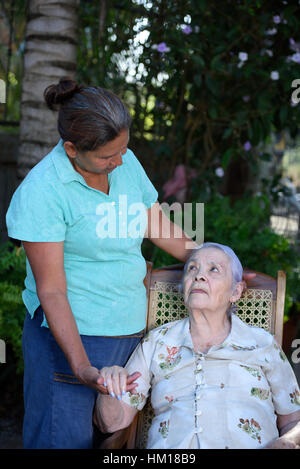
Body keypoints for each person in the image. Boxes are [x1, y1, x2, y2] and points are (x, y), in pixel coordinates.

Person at [5, 77, 197, 449]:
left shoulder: (122, 160)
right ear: (72, 149)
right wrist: (80, 367)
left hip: (129, 334)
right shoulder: (42, 193)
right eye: (109, 156)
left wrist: (207, 257)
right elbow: (53, 290)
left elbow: (154, 222)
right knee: (63, 441)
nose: (120, 160)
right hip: (68, 341)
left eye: (124, 149)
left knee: (116, 445)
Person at [94, 242, 300, 449]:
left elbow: (293, 420)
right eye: (192, 268)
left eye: (214, 270)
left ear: (236, 291)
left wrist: (288, 442)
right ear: (184, 286)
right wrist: (108, 389)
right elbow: (111, 423)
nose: (199, 276)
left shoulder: (262, 343)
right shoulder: (157, 342)